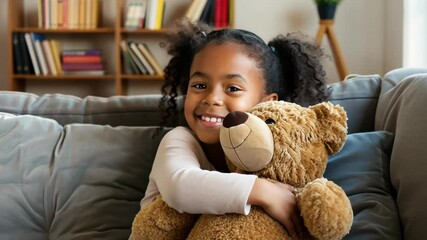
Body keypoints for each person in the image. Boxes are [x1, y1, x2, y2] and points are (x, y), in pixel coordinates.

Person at [135, 19, 329, 237]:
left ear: (267, 103)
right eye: (200, 85)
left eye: (233, 88)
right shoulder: (180, 140)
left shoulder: (279, 157)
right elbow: (179, 188)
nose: (212, 98)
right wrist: (262, 191)